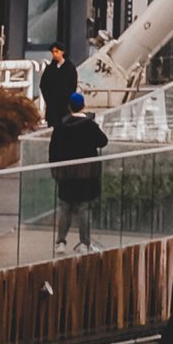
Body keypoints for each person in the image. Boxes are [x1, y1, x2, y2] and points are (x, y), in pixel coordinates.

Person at [48, 98, 108, 253]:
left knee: (65, 208)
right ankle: (84, 243)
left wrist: (55, 171)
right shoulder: (89, 126)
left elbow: (53, 150)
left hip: (66, 174)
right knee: (84, 208)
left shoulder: (61, 127)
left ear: (69, 107)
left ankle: (60, 242)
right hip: (86, 174)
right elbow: (103, 141)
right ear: (83, 106)